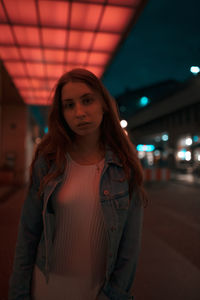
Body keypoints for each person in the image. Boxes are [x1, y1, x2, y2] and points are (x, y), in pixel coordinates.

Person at [9, 68, 147, 300]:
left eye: (87, 100)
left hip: (100, 291)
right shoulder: (48, 160)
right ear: (61, 113)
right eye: (69, 105)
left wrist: (114, 293)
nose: (79, 112)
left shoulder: (125, 166)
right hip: (47, 285)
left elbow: (129, 248)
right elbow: (28, 234)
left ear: (103, 104)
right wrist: (19, 292)